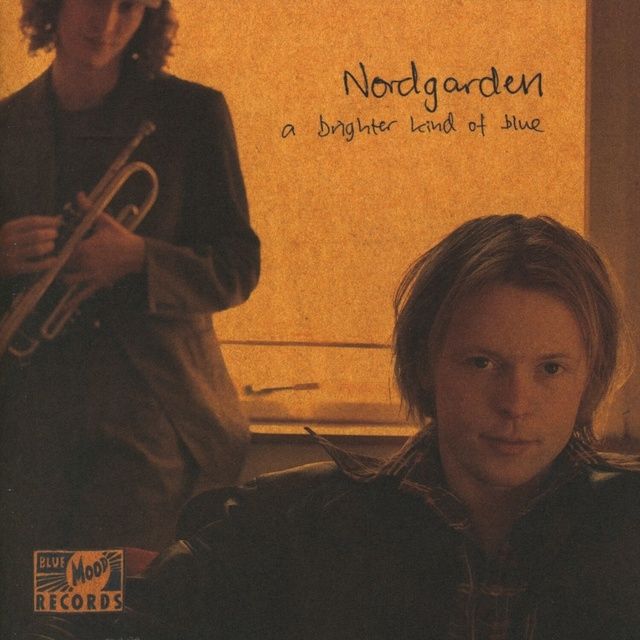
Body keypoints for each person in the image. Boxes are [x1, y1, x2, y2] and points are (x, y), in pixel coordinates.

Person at [25, 214, 640, 640]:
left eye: (551, 368)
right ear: (424, 365)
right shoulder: (299, 517)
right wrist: (87, 574)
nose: (515, 402)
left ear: (591, 376)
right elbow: (57, 585)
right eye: (481, 363)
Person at [0, 0, 260, 636]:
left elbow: (237, 266)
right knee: (29, 611)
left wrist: (140, 258)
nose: (109, 22)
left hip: (147, 421)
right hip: (31, 424)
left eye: (130, 6)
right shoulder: (8, 124)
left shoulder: (192, 113)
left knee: (92, 610)